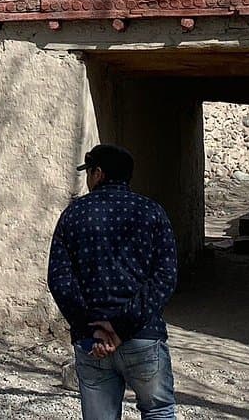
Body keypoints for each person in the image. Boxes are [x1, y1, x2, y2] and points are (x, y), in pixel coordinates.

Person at [47, 143, 178, 420]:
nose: (87, 179)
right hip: (143, 336)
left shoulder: (73, 215)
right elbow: (165, 277)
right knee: (159, 411)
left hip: (92, 343)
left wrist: (90, 329)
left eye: (89, 172)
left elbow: (60, 280)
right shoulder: (152, 212)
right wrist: (122, 326)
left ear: (98, 174)